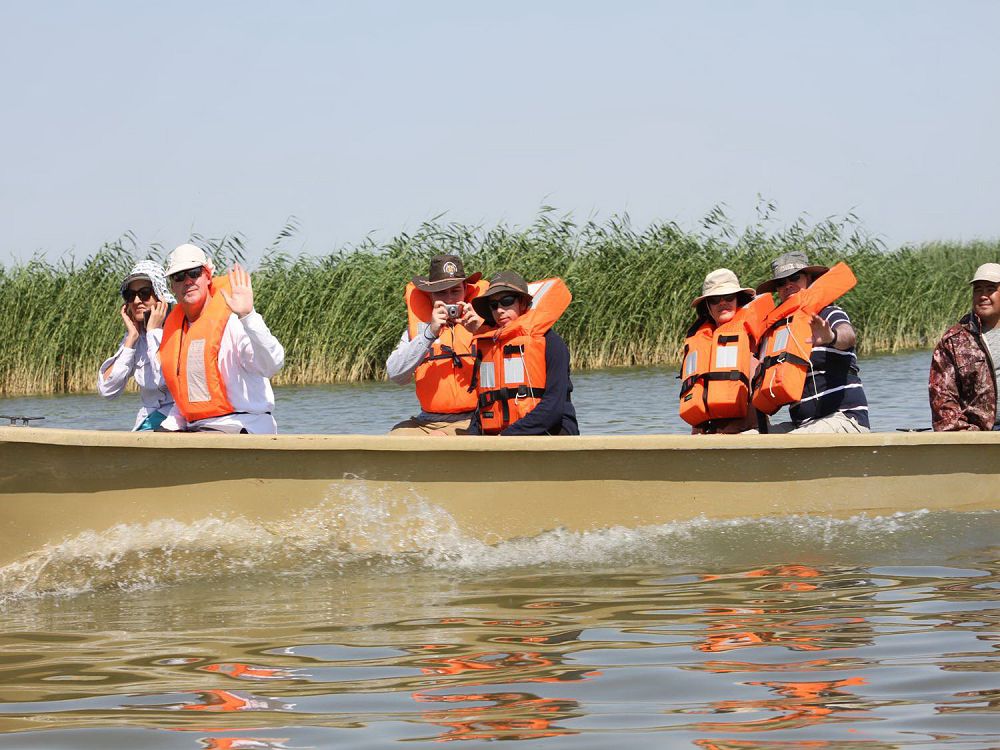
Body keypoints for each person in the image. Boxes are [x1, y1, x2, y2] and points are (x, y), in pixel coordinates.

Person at [157, 244, 284, 434]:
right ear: (172, 286)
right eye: (179, 276)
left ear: (208, 276)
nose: (188, 281)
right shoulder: (176, 332)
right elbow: (187, 398)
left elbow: (272, 365)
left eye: (194, 273)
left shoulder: (235, 323)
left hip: (242, 425)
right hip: (197, 428)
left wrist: (248, 316)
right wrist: (167, 428)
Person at [753, 251, 869, 433]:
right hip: (802, 425)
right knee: (744, 440)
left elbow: (848, 336)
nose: (788, 285)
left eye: (795, 278)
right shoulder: (779, 332)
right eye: (781, 283)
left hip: (843, 418)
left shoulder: (828, 314)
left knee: (790, 443)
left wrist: (831, 336)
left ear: (809, 279)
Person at [386, 254, 487, 435]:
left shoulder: (485, 323)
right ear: (430, 294)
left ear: (465, 289)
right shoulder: (419, 330)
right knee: (395, 437)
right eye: (441, 292)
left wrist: (481, 331)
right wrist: (429, 334)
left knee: (439, 439)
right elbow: (396, 375)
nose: (449, 299)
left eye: (455, 291)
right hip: (426, 421)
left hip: (474, 419)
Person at [467, 272, 578, 435]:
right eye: (493, 305)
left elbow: (553, 407)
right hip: (503, 437)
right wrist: (473, 439)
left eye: (506, 301)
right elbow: (480, 409)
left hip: (549, 434)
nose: (499, 310)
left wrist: (507, 437)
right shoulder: (488, 347)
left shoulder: (552, 343)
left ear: (523, 303)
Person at [679, 268, 773, 434]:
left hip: (749, 430)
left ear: (738, 300)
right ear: (707, 306)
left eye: (729, 297)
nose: (723, 303)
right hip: (710, 433)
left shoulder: (757, 334)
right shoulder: (699, 340)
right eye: (715, 299)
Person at [98, 260, 176, 430]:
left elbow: (166, 380)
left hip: (178, 419)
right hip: (148, 421)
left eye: (145, 293)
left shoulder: (179, 329)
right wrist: (131, 338)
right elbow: (107, 390)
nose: (137, 300)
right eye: (130, 295)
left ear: (160, 296)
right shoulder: (136, 338)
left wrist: (154, 331)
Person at [929, 263, 1000, 430]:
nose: (983, 296)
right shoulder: (954, 340)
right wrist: (967, 435)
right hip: (981, 435)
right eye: (978, 290)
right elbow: (942, 399)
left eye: (990, 289)